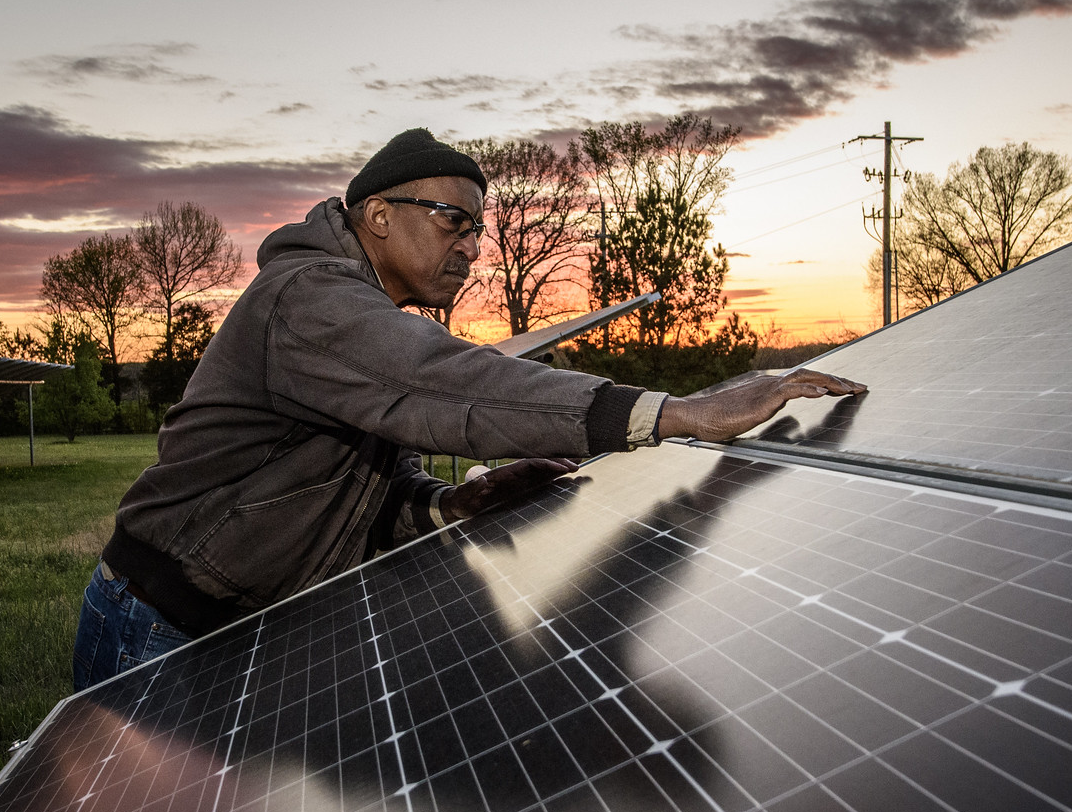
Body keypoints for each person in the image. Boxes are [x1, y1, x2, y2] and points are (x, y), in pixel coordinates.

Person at [73, 128, 864, 689]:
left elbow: (361, 500)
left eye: (479, 230)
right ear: (378, 217)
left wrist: (451, 506)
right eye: (454, 221)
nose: (473, 247)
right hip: (161, 626)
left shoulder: (361, 319)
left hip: (237, 625)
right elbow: (448, 387)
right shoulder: (310, 300)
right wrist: (679, 412)